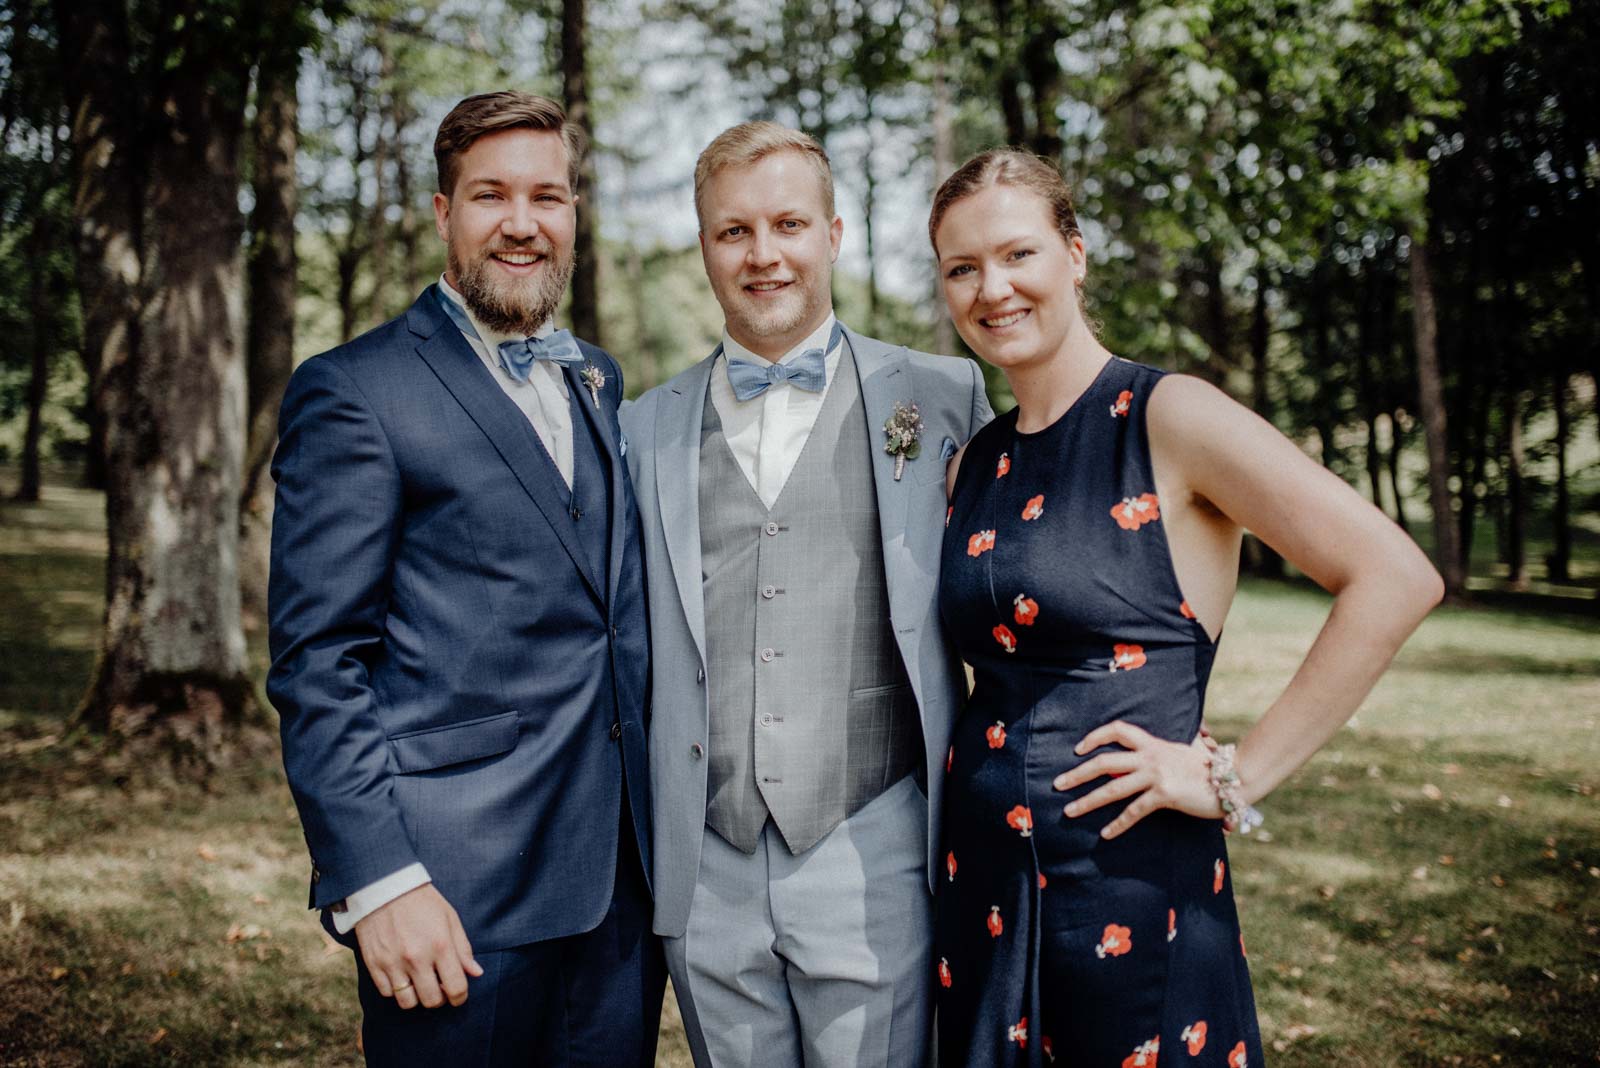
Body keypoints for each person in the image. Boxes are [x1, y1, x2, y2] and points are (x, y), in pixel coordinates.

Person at [928, 148, 1444, 1067]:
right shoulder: (975, 461)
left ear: (1075, 255)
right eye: (962, 268)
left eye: (1018, 255)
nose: (991, 288)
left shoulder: (1168, 416)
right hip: (985, 901)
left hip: (1131, 894)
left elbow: (1394, 576)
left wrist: (1231, 777)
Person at [267, 91, 664, 1067]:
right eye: (491, 195)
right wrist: (381, 881)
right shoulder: (355, 390)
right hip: (452, 901)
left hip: (621, 891)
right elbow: (319, 661)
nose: (523, 223)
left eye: (548, 197)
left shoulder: (599, 380)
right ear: (444, 212)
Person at [620, 121, 993, 1068]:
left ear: (833, 234)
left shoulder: (944, 397)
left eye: (788, 224)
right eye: (732, 232)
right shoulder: (639, 430)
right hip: (706, 865)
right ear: (705, 248)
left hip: (875, 846)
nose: (762, 255)